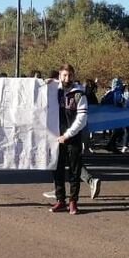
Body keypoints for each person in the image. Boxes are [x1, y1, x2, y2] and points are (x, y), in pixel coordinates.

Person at [49, 64, 88, 215]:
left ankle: (73, 202)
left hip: (72, 137)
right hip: (55, 137)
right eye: (64, 75)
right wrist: (46, 81)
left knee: (74, 170)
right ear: (59, 76)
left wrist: (68, 134)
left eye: (70, 75)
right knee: (56, 169)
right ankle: (60, 200)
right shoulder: (54, 91)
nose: (67, 78)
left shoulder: (79, 94)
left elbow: (82, 118)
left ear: (73, 76)